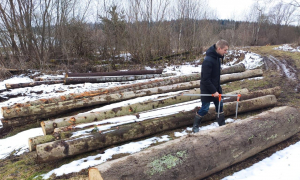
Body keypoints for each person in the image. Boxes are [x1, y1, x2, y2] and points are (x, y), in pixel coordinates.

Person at [192, 39, 229, 133]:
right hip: (207, 89)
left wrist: (217, 90)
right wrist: (214, 91)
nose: (226, 52)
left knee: (220, 105)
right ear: (219, 48)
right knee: (204, 109)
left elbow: (215, 76)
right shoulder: (208, 61)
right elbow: (205, 79)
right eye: (225, 50)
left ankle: (222, 125)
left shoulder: (217, 58)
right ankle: (195, 126)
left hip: (216, 87)